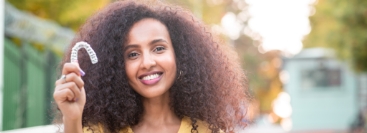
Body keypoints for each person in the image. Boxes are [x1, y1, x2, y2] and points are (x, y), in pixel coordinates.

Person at [53, 0, 249, 133]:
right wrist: (72, 118)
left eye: (158, 48)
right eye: (133, 54)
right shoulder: (100, 130)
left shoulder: (208, 131)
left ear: (179, 55)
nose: (147, 62)